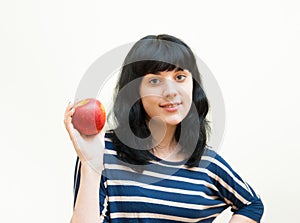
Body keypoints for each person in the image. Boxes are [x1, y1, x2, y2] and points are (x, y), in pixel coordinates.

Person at [64, 34, 264, 223]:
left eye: (180, 77)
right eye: (154, 80)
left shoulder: (208, 163)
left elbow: (252, 204)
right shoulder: (103, 150)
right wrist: (91, 165)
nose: (170, 92)